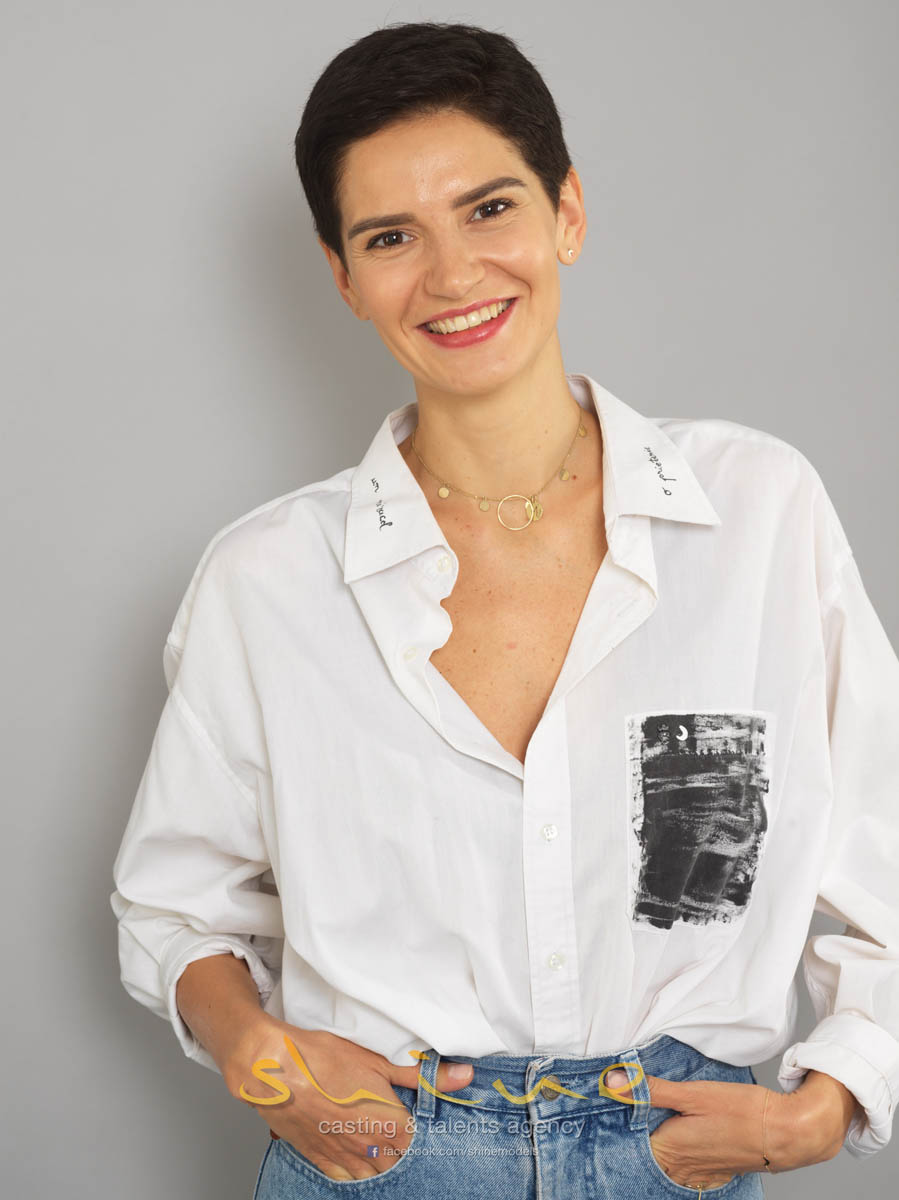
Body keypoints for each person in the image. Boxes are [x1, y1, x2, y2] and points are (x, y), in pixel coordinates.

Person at [109, 20, 899, 1199]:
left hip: (668, 1152)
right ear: (342, 276)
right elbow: (173, 905)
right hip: (381, 1156)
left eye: (488, 209)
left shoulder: (756, 514)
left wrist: (826, 1105)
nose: (450, 275)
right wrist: (260, 1061)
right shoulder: (266, 580)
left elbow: (882, 853)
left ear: (565, 212)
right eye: (390, 237)